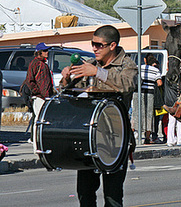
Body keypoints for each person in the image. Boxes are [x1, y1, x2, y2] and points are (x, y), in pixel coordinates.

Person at [60, 25, 137, 207]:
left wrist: (98, 73)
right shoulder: (91, 64)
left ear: (112, 45)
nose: (94, 48)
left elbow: (127, 85)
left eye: (98, 45)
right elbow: (68, 93)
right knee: (85, 192)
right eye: (92, 44)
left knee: (113, 196)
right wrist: (65, 78)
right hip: (89, 136)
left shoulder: (127, 64)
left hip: (115, 139)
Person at [25, 42, 55, 152]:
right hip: (39, 98)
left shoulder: (44, 64)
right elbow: (30, 80)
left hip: (45, 97)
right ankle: (36, 145)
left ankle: (40, 144)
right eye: (45, 51)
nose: (47, 52)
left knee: (42, 120)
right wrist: (38, 93)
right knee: (38, 120)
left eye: (47, 50)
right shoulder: (35, 63)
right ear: (39, 52)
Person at [137, 53, 162, 144]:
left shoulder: (138, 67)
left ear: (145, 60)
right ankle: (147, 138)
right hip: (150, 94)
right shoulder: (155, 70)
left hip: (138, 93)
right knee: (149, 116)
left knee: (136, 115)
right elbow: (159, 83)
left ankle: (132, 136)